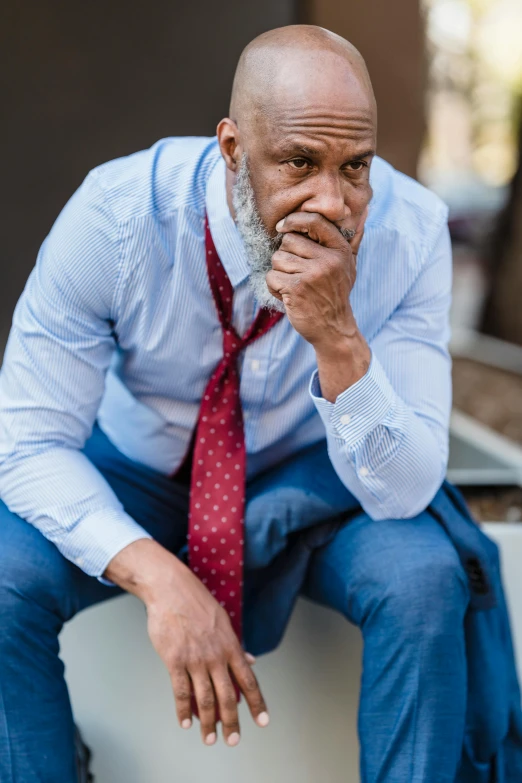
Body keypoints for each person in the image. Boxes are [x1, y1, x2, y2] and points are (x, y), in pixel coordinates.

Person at [0, 24, 520, 783]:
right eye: (300, 162)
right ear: (234, 149)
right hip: (138, 469)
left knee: (424, 580)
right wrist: (160, 579)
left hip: (311, 479)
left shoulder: (409, 234)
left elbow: (409, 485)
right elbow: (28, 445)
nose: (331, 202)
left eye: (355, 167)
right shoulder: (115, 220)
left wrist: (339, 339)